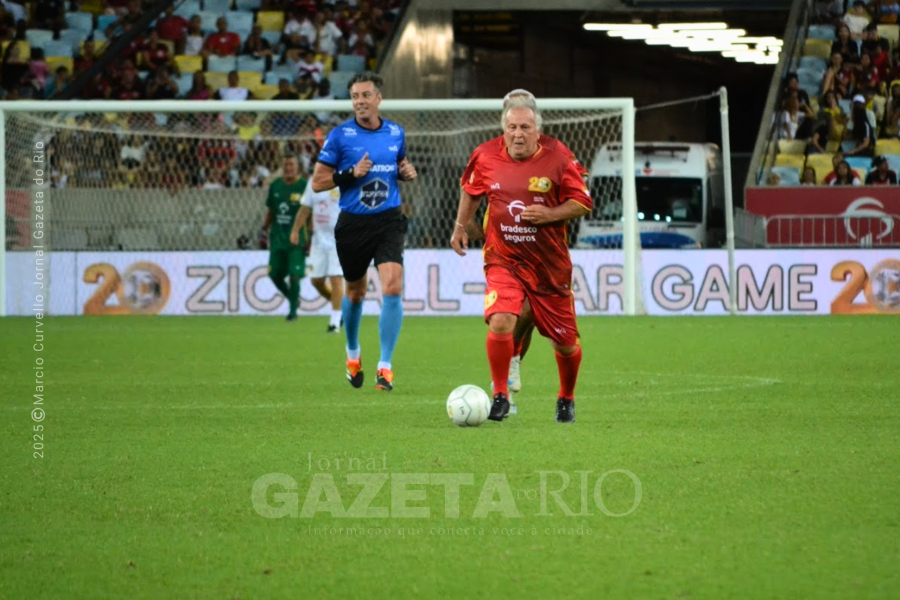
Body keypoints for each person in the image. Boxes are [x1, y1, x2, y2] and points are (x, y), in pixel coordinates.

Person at [451, 98, 592, 424]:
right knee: (501, 319)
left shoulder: (558, 158)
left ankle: (566, 397)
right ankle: (500, 395)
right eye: (511, 127)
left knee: (566, 343)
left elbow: (583, 202)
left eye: (525, 128)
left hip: (549, 266)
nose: (517, 134)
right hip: (504, 258)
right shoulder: (485, 155)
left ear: (537, 131)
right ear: (503, 128)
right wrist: (460, 226)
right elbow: (471, 190)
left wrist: (550, 214)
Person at [309, 72, 417, 391]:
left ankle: (385, 366)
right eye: (355, 96)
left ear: (378, 98)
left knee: (393, 286)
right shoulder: (340, 136)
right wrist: (350, 174)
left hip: (388, 220)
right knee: (355, 292)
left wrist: (406, 171)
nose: (360, 101)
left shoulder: (396, 132)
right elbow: (318, 182)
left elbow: (400, 163)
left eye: (366, 95)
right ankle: (353, 353)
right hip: (353, 224)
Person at [290, 165, 345, 332]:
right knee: (316, 281)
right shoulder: (313, 182)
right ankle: (341, 310)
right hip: (319, 240)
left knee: (336, 278)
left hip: (340, 238)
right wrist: (295, 230)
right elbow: (305, 208)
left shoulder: (344, 180)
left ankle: (334, 323)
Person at [262, 154, 308, 321]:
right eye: (286, 165)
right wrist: (264, 228)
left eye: (291, 165)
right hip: (277, 238)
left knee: (295, 275)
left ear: (297, 167)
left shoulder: (304, 186)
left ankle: (292, 313)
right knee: (274, 274)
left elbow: (309, 212)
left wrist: (310, 236)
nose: (288, 168)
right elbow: (271, 210)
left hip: (297, 238)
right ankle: (293, 298)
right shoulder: (275, 186)